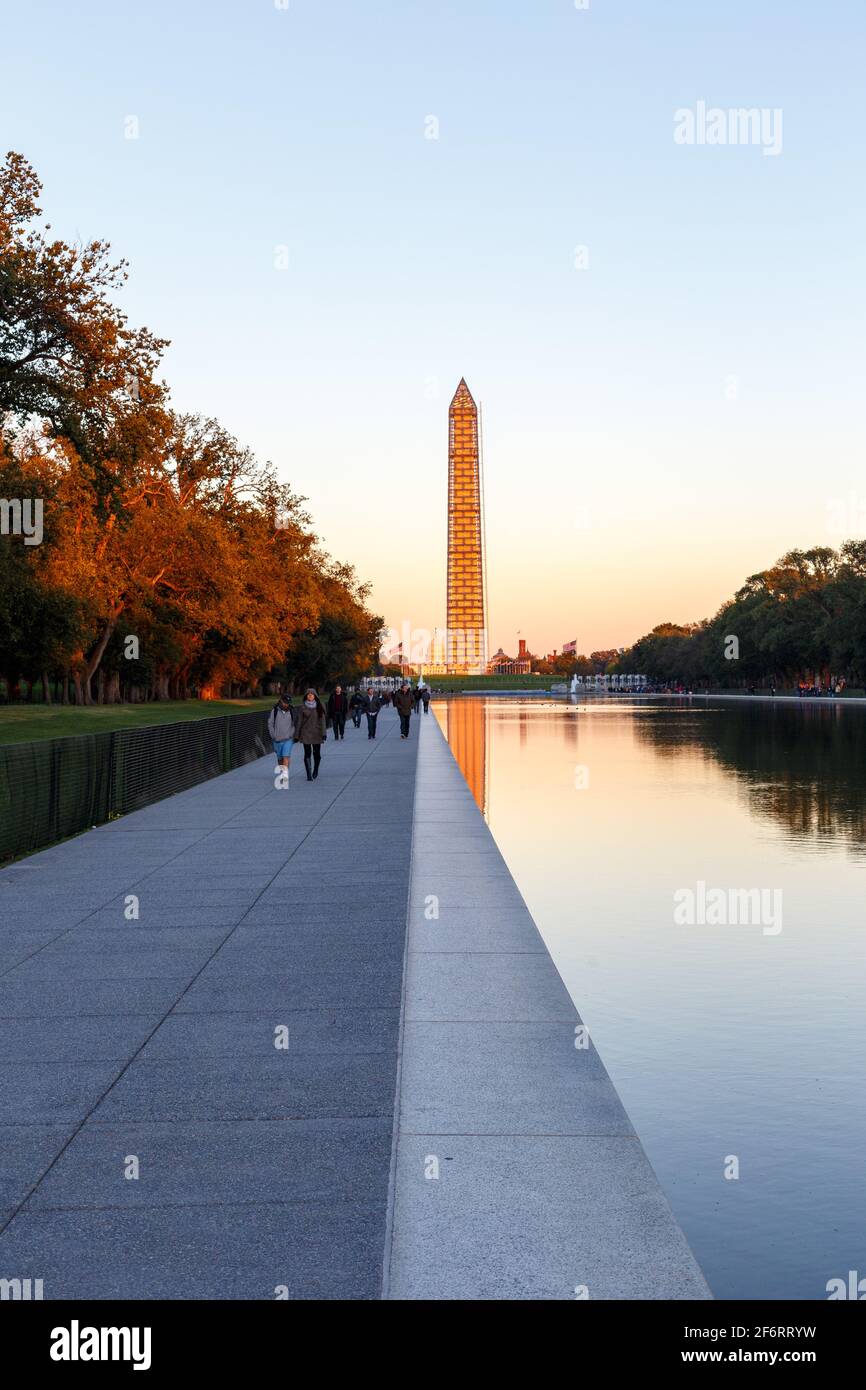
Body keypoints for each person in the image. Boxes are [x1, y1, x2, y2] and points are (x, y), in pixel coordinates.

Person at [293, 688, 327, 780]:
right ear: (306, 696)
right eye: (308, 694)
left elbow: (323, 721)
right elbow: (299, 722)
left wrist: (324, 733)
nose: (310, 695)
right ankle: (308, 774)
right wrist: (296, 736)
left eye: (312, 694)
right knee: (307, 753)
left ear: (315, 696)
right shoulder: (302, 707)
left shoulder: (320, 706)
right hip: (306, 733)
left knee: (317, 754)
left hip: (317, 732)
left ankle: (315, 769)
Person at [267, 692, 295, 779]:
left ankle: (284, 776)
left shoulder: (292, 711)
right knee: (280, 759)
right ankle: (282, 771)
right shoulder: (274, 711)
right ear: (280, 701)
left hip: (288, 739)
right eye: (285, 702)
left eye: (288, 703)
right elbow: (270, 723)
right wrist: (273, 735)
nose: (286, 704)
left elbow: (294, 724)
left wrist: (291, 733)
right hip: (277, 739)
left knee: (286, 757)